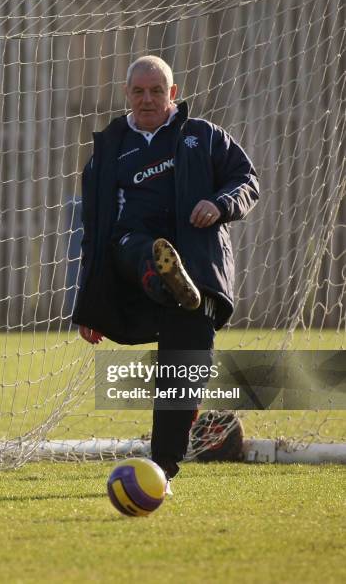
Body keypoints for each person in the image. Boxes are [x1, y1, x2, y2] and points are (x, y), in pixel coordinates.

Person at [73, 55, 259, 485]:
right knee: (135, 244)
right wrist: (88, 305)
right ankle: (161, 275)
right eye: (139, 91)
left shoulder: (203, 136)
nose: (147, 99)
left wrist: (219, 204)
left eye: (157, 90)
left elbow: (247, 179)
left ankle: (162, 468)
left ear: (172, 94)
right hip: (131, 270)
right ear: (127, 95)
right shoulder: (110, 152)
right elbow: (95, 232)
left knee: (182, 369)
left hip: (198, 270)